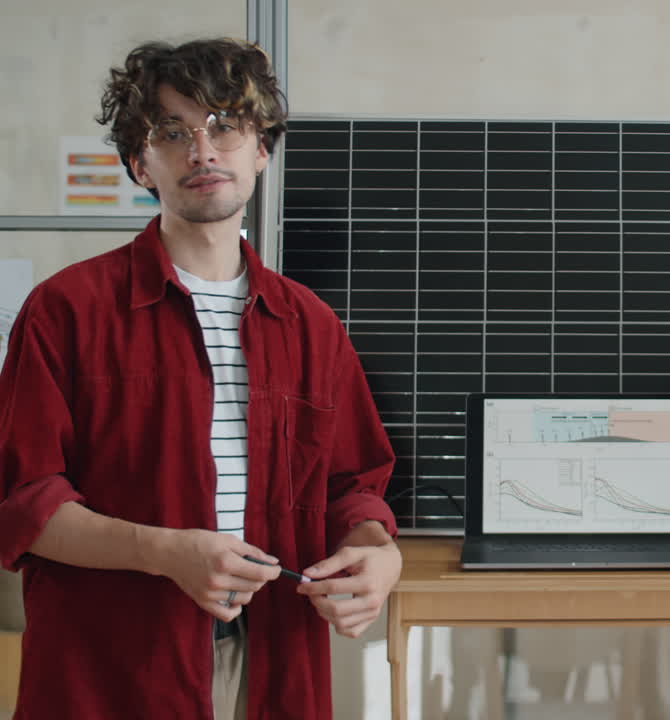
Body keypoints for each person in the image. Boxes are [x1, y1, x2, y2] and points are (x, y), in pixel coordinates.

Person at [0, 38, 402, 720]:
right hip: (113, 665)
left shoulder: (311, 324)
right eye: (172, 132)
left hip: (274, 655)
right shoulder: (66, 310)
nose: (202, 151)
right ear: (141, 164)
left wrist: (377, 550)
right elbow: (24, 503)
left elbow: (351, 486)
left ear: (261, 150)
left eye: (225, 126)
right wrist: (165, 552)